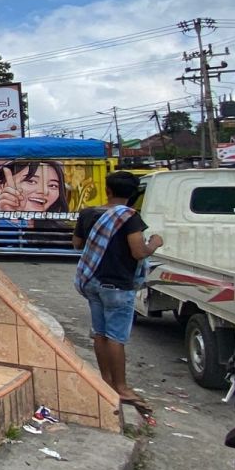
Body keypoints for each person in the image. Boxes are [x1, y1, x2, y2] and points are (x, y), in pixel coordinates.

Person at [71, 171, 163, 414]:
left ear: (108, 190)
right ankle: (121, 387)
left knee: (99, 334)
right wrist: (155, 242)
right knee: (116, 337)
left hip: (91, 281)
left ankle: (106, 382)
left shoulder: (89, 213)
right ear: (132, 195)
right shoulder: (130, 218)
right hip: (118, 286)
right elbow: (138, 252)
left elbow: (77, 244)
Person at [0, 159, 68, 214]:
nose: (44, 191)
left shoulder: (64, 228)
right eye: (31, 181)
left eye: (53, 185)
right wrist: (10, 216)